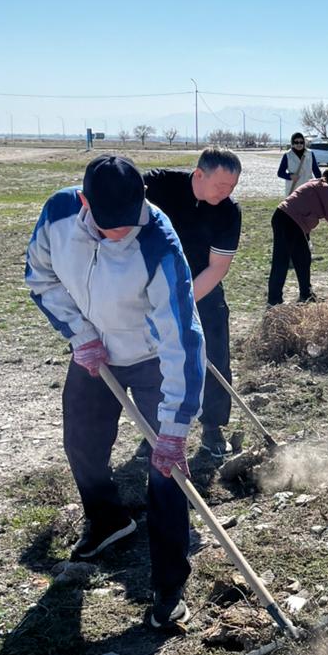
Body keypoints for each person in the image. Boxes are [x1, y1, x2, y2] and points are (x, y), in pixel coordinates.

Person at [25, 154, 206, 630]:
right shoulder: (58, 214)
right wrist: (79, 333)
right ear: (84, 203)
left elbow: (182, 338)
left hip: (150, 358)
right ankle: (108, 520)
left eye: (127, 222)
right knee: (81, 444)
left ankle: (168, 587)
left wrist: (174, 429)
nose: (119, 234)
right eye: (108, 226)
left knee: (165, 471)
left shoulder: (159, 244)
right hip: (93, 352)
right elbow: (40, 276)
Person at [144, 149, 242, 463]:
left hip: (203, 288)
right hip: (153, 288)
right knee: (157, 361)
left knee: (215, 356)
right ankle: (156, 431)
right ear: (199, 174)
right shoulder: (160, 186)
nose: (226, 192)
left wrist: (183, 303)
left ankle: (213, 427)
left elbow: (218, 267)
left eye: (232, 186)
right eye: (221, 185)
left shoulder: (229, 212)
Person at [267, 167, 328, 305]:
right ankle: (274, 300)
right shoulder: (327, 189)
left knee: (303, 259)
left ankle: (306, 294)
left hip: (291, 222)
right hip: (288, 221)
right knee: (281, 261)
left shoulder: (320, 185)